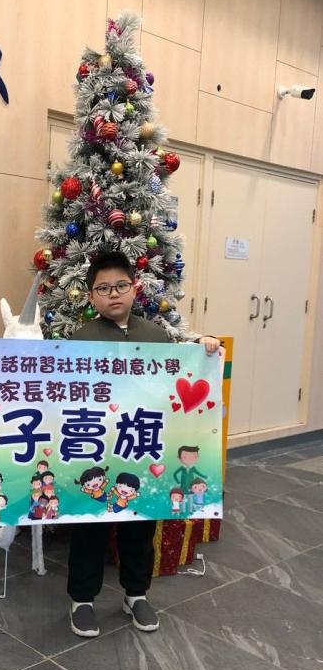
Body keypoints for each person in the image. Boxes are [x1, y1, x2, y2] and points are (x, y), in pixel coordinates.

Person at [66, 250, 219, 638]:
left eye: (120, 285)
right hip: (96, 447)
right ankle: (82, 600)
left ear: (135, 288)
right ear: (91, 296)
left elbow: (180, 376)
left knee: (139, 524)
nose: (113, 294)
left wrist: (203, 347)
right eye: (103, 288)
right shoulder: (80, 339)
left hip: (142, 446)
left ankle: (136, 594)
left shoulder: (156, 335)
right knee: (89, 526)